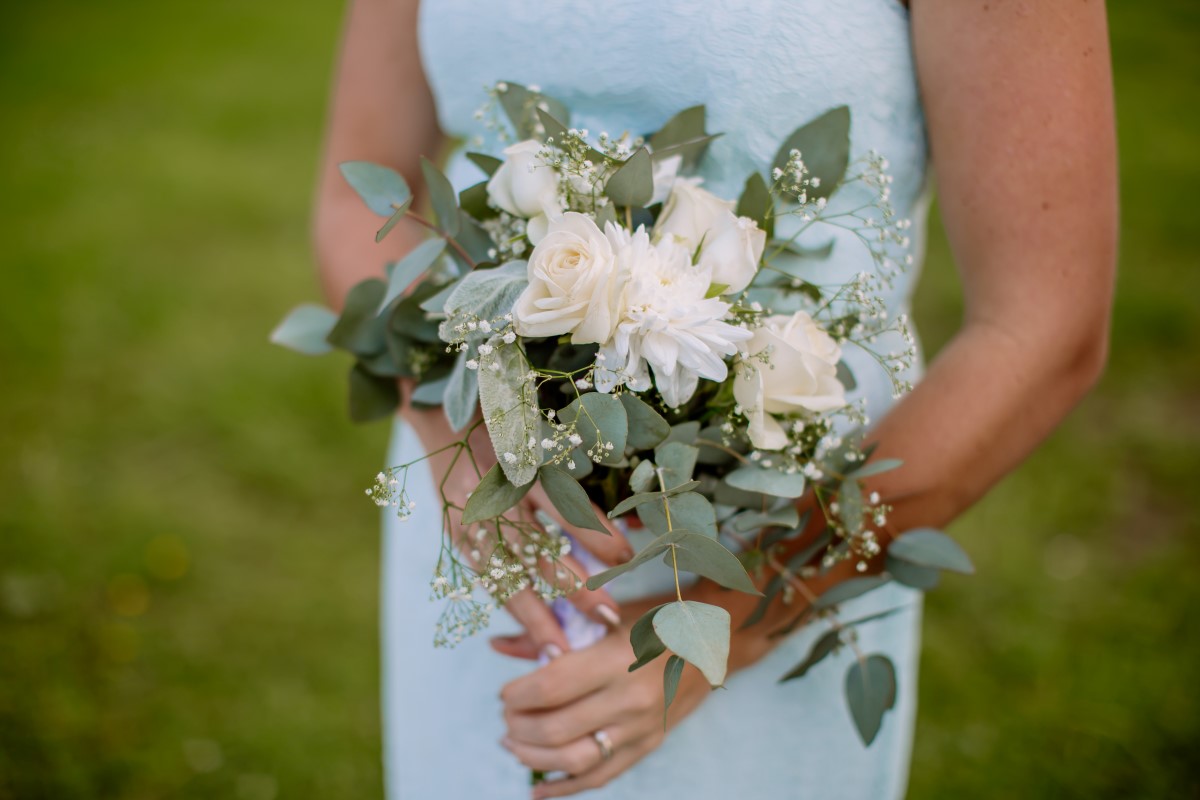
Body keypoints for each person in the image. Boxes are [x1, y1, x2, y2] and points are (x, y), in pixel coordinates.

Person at [313, 0, 1117, 797]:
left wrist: (731, 619)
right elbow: (358, 192)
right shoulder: (460, 445)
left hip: (781, 528)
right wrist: (450, 417)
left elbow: (1044, 325)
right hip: (486, 517)